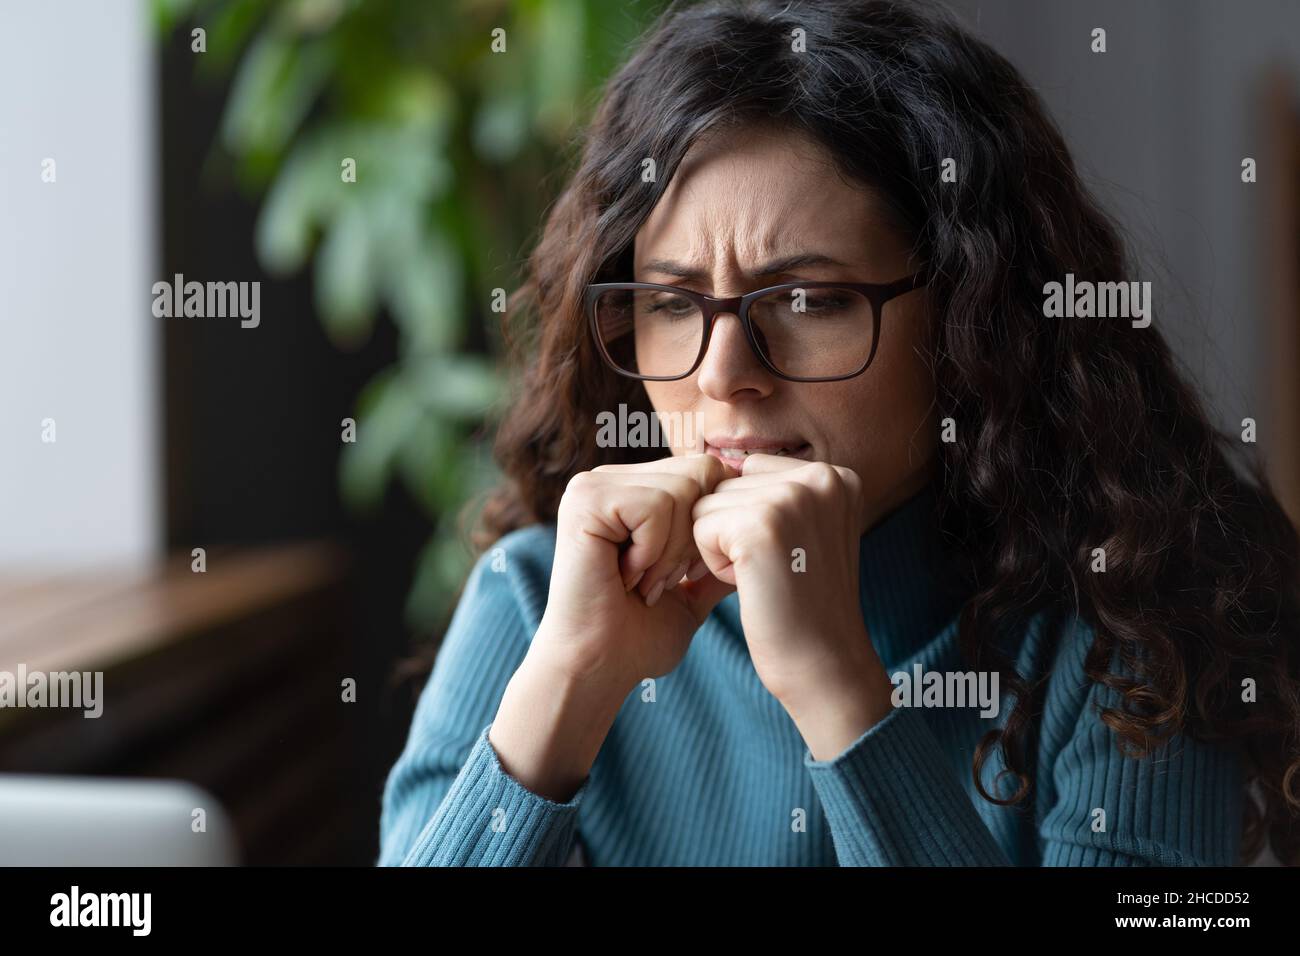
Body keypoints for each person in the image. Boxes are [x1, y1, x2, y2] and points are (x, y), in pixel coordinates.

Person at [378, 0, 1300, 866]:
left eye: (812, 299)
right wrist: (569, 687)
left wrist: (838, 694)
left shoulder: (1133, 628)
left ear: (974, 318)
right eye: (669, 302)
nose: (722, 373)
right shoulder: (535, 603)